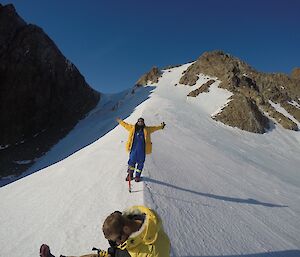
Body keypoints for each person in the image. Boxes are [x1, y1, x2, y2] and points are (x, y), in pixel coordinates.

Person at [102, 205, 170, 257]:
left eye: (118, 239)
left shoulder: (154, 251)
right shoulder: (130, 237)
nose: (118, 243)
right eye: (114, 241)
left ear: (126, 229)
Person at [116, 117, 165, 182]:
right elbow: (125, 125)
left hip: (142, 150)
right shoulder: (132, 128)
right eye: (139, 122)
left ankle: (137, 176)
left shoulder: (147, 129)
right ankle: (130, 175)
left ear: (143, 123)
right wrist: (120, 121)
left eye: (141, 122)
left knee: (140, 163)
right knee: (131, 162)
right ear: (137, 122)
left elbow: (154, 128)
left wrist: (161, 126)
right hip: (133, 149)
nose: (140, 123)